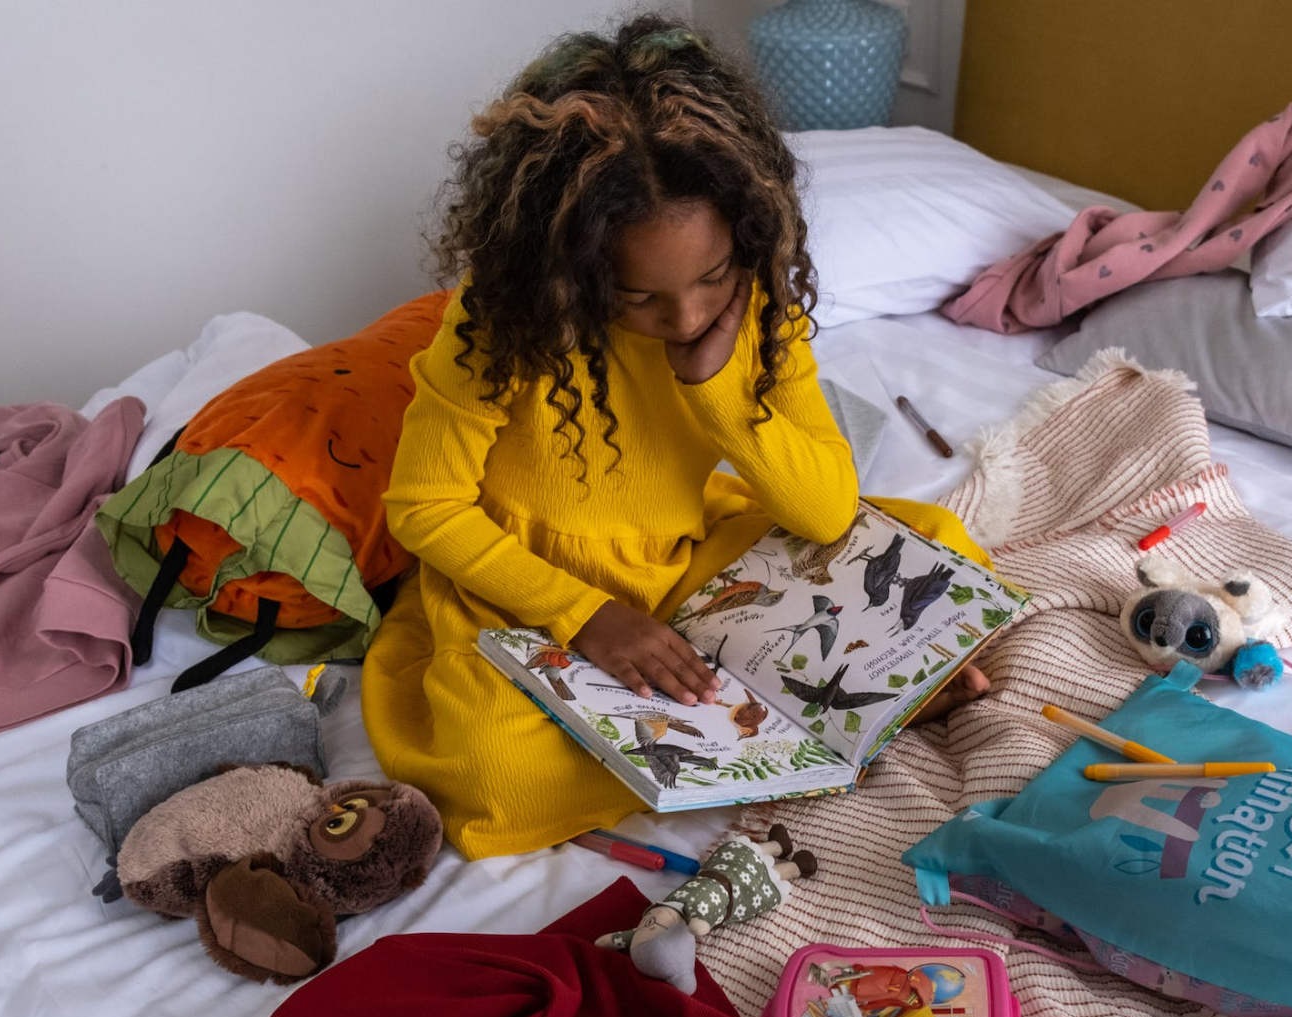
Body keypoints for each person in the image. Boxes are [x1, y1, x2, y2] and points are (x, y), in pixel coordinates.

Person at [362, 14, 990, 859]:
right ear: (576, 269)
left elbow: (824, 509)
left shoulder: (755, 309)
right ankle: (850, 706)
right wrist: (586, 617)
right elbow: (423, 507)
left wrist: (717, 392)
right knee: (492, 769)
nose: (688, 315)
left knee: (943, 546)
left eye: (711, 276)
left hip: (690, 557)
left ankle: (810, 707)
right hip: (530, 586)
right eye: (640, 298)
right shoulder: (503, 321)